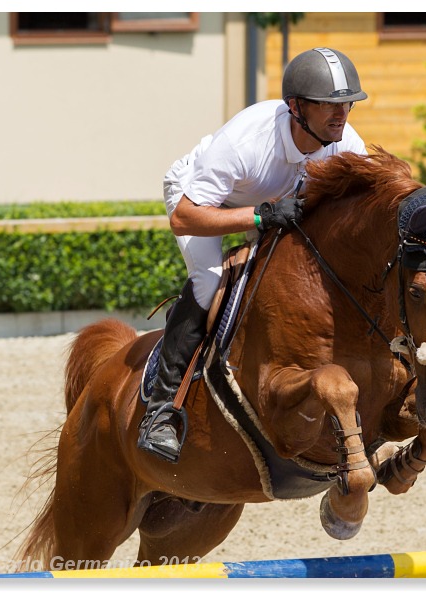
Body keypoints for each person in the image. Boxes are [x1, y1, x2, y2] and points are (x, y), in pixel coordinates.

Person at [137, 47, 369, 463]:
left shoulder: (345, 143)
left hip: (269, 203)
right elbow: (184, 218)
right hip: (202, 200)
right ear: (296, 107)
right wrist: (261, 216)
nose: (342, 115)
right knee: (210, 282)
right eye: (329, 105)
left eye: (347, 103)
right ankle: (161, 409)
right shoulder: (246, 142)